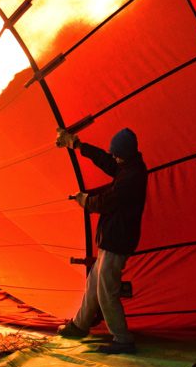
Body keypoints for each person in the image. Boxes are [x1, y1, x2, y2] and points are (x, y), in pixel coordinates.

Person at [54, 126, 147, 354]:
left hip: (118, 242)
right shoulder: (128, 166)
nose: (113, 156)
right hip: (111, 240)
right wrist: (77, 145)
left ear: (124, 153)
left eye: (116, 153)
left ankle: (123, 339)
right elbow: (106, 161)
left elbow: (107, 201)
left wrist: (86, 200)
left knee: (107, 290)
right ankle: (79, 325)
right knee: (95, 283)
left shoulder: (132, 177)